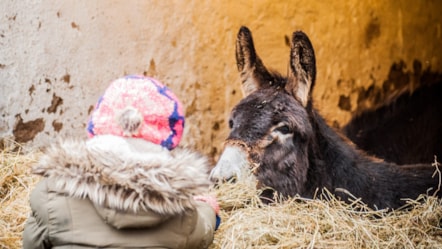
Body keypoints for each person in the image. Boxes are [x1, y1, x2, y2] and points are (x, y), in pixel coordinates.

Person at [23, 75, 220, 249]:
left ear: (98, 124)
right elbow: (202, 233)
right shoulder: (179, 208)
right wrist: (208, 207)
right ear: (167, 139)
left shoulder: (52, 192)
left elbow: (32, 243)